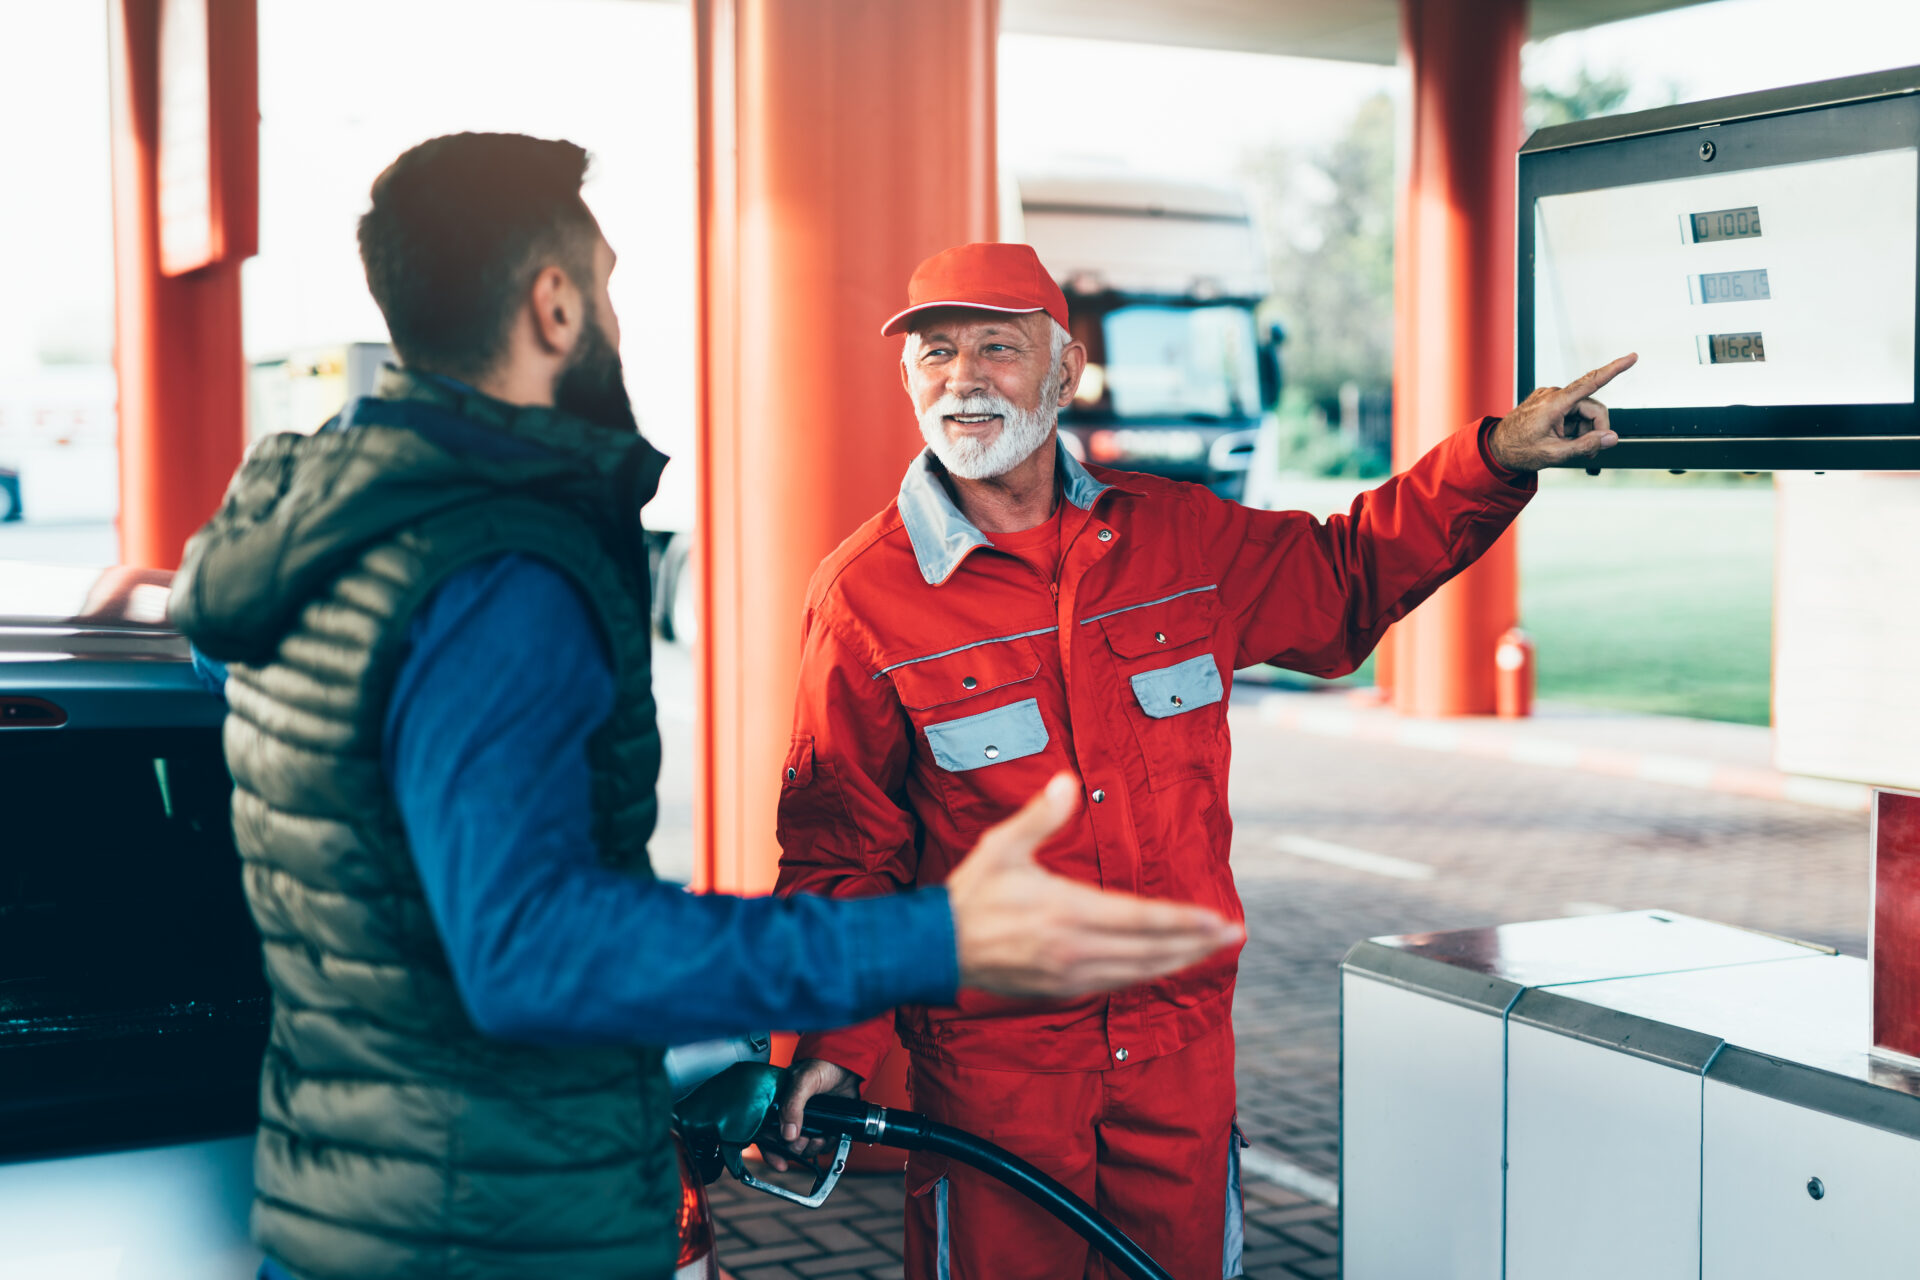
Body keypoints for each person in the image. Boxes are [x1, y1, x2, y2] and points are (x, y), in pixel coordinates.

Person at [170, 136, 1242, 1280]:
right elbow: (528, 945)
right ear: (553, 304)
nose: (619, 323)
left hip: (358, 1196)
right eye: (610, 284)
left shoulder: (327, 534)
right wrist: (933, 935)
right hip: (492, 1224)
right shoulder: (494, 572)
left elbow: (401, 872)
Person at [770, 241, 1634, 1279]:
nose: (962, 377)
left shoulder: (1178, 541)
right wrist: (829, 1046)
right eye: (935, 351)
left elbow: (1349, 573)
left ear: (1065, 368)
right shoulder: (865, 598)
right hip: (998, 1079)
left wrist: (1492, 456)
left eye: (998, 346)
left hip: (1178, 1061)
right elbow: (843, 847)